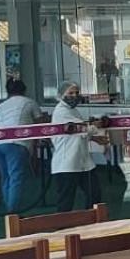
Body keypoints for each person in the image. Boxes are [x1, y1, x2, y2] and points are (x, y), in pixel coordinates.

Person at [0, 79, 40, 211]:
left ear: (7, 91)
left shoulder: (0, 106)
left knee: (5, 177)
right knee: (15, 177)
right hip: (16, 142)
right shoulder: (29, 102)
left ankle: (9, 210)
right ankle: (12, 212)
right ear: (24, 90)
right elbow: (40, 123)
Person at [50, 81, 102, 212]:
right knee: (66, 202)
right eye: (70, 93)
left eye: (77, 93)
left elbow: (80, 133)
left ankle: (92, 220)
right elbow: (81, 128)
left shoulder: (74, 111)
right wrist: (95, 126)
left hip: (83, 163)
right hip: (67, 164)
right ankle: (64, 224)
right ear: (61, 95)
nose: (74, 96)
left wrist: (95, 138)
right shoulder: (61, 111)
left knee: (94, 194)